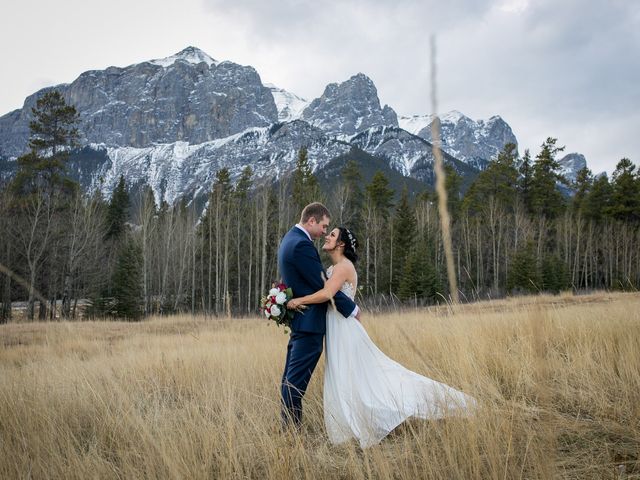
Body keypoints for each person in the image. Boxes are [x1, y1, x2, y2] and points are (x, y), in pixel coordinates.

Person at [287, 226, 476, 448]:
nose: (327, 236)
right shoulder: (333, 267)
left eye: (332, 235)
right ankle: (352, 422)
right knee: (348, 375)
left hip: (345, 330)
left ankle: (384, 414)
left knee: (361, 375)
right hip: (337, 328)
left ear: (341, 244)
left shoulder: (343, 267)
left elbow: (327, 294)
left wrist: (298, 301)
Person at [277, 202, 360, 428]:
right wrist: (353, 309)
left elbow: (319, 287)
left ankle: (288, 429)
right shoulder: (302, 245)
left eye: (329, 231)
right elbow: (322, 285)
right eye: (324, 226)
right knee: (294, 383)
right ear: (311, 221)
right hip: (309, 325)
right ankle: (291, 431)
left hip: (304, 324)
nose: (325, 232)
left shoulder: (289, 239)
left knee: (290, 380)